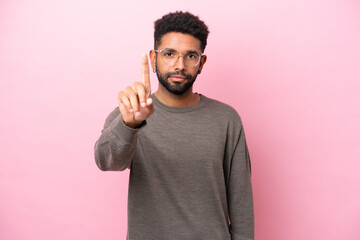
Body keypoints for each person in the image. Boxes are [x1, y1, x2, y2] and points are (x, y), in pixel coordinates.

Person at [94, 11, 254, 240]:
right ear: (153, 58)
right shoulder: (131, 111)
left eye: (190, 56)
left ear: (201, 63)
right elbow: (106, 161)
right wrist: (130, 124)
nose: (179, 65)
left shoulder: (226, 119)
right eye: (169, 54)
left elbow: (241, 201)